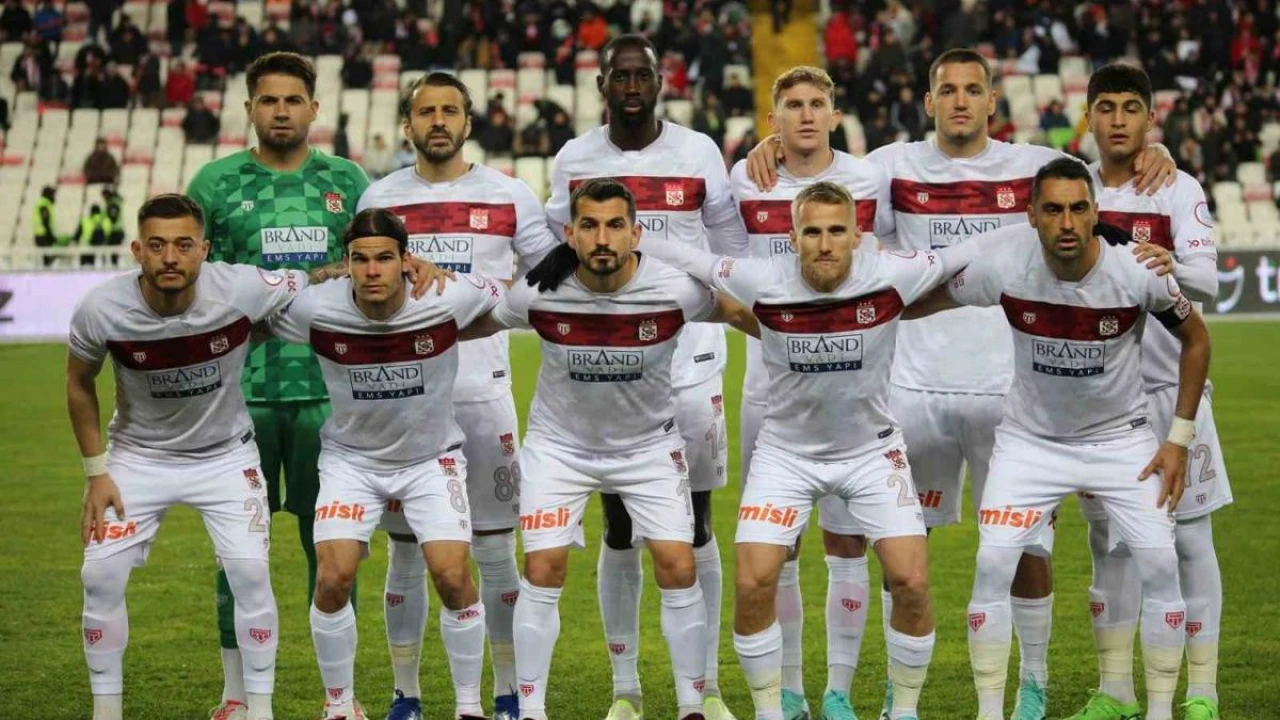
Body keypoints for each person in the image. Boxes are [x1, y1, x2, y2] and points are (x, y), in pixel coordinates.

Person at [744, 48, 1178, 720]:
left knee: (1025, 548)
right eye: (948, 91)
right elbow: (822, 171)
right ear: (929, 101)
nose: (961, 102)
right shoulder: (891, 165)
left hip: (1010, 390)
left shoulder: (1034, 165)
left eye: (973, 90)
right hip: (912, 387)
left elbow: (1102, 182)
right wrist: (774, 145)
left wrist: (1158, 154)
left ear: (992, 101)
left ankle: (1030, 685)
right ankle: (857, 689)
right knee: (878, 546)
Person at [642, 181, 991, 720]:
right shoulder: (762, 278)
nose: (825, 244)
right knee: (753, 580)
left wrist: (1038, 226)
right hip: (786, 455)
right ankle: (771, 712)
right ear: (792, 238)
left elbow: (966, 250)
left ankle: (903, 712)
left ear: (856, 236)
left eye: (835, 231)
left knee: (912, 581)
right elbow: (693, 259)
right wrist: (624, 240)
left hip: (872, 453)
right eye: (812, 232)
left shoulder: (891, 273)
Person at [904, 157, 1209, 720]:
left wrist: (1178, 440)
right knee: (992, 564)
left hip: (1120, 442)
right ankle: (990, 713)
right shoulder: (1004, 266)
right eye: (1052, 210)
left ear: (1094, 212)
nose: (1066, 223)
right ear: (1031, 215)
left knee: (1161, 566)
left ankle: (1161, 712)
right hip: (1030, 444)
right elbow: (928, 299)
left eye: (1077, 208)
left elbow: (1196, 339)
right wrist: (860, 309)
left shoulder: (1138, 269)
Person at [466, 178, 758, 720]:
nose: (603, 238)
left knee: (678, 564)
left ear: (635, 234)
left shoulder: (675, 290)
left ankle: (692, 705)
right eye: (590, 226)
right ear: (570, 234)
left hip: (648, 447)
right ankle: (532, 710)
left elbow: (743, 314)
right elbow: (469, 322)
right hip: (560, 449)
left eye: (615, 225)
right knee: (543, 567)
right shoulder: (538, 292)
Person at [66, 193, 335, 720]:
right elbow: (79, 382)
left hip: (225, 456)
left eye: (184, 245)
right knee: (99, 577)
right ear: (137, 250)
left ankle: (259, 709)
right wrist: (96, 474)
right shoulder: (101, 309)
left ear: (205, 250)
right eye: (157, 245)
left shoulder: (240, 286)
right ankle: (106, 710)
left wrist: (383, 268)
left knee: (250, 573)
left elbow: (312, 280)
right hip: (138, 458)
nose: (171, 257)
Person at [544, 34, 750, 720]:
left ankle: (706, 686)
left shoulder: (698, 152)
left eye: (643, 75)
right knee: (619, 524)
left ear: (660, 82)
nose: (631, 86)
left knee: (697, 523)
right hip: (612, 362)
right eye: (620, 75)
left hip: (691, 360)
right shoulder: (575, 158)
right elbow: (556, 250)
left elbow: (729, 248)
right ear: (602, 83)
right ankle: (626, 689)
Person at [356, 71, 561, 720]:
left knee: (496, 549)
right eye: (426, 112)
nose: (438, 121)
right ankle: (407, 694)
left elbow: (551, 276)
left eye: (450, 111)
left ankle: (507, 691)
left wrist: (483, 299)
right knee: (406, 552)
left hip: (482, 396)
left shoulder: (509, 194)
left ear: (469, 123)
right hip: (403, 401)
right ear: (408, 126)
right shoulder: (381, 197)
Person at [183, 52, 373, 720]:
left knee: (334, 553)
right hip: (238, 398)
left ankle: (340, 697)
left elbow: (377, 268)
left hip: (331, 395)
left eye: (294, 100)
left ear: (314, 108)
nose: (282, 111)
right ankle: (236, 693)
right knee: (239, 555)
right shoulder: (214, 184)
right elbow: (187, 276)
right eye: (269, 100)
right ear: (249, 109)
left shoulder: (348, 181)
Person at [266, 209, 506, 720]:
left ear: (405, 260)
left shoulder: (446, 296)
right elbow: (256, 316)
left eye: (384, 258)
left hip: (431, 458)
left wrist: (451, 282)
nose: (372, 271)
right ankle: (338, 706)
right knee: (333, 578)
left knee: (452, 576)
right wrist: (319, 274)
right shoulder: (316, 307)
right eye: (359, 259)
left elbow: (507, 297)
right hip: (351, 461)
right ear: (346, 263)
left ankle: (469, 706)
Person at [730, 65, 895, 720]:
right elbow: (722, 272)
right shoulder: (745, 180)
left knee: (848, 544)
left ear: (834, 114)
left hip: (855, 395)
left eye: (816, 103)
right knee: (781, 550)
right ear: (773, 119)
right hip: (770, 396)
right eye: (792, 105)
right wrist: (775, 329)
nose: (805, 114)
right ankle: (792, 688)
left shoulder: (869, 180)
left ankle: (839, 692)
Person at [1073, 64, 1230, 720]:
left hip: (1172, 390)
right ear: (1088, 116)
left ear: (1149, 117)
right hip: (1098, 402)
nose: (1117, 119)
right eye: (1105, 107)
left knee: (1189, 542)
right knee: (1109, 547)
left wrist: (1174, 265)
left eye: (1130, 108)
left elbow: (1210, 283)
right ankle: (1114, 691)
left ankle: (1202, 692)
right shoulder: (1070, 187)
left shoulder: (1176, 187)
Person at [34, 185, 57, 266]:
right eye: (52, 195)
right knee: (47, 261)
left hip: (41, 235)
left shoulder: (43, 204)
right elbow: (45, 221)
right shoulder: (44, 205)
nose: (54, 197)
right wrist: (50, 235)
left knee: (47, 260)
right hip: (43, 235)